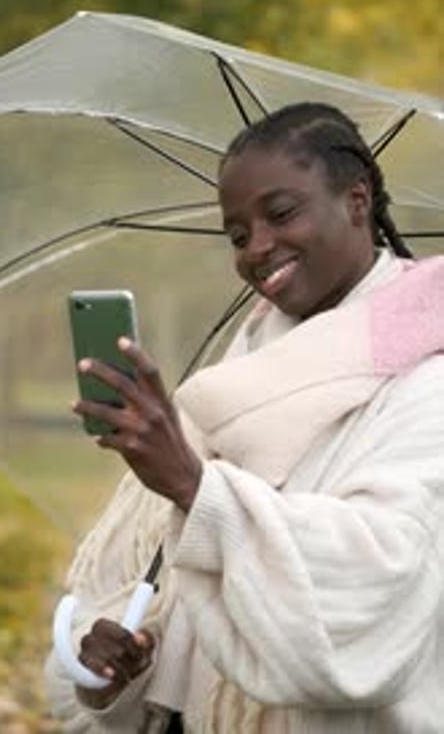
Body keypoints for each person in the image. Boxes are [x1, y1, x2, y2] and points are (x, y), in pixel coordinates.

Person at [45, 102, 444, 733]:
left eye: (281, 214)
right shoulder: (231, 380)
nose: (258, 248)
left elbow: (378, 582)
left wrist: (193, 486)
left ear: (358, 199)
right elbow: (171, 599)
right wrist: (128, 660)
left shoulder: (429, 374)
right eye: (236, 234)